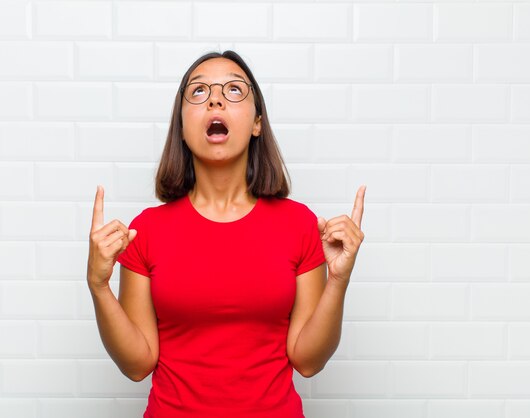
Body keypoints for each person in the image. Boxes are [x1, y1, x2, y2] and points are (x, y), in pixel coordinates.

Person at [86, 50, 366, 418]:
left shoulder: (299, 224)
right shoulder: (147, 230)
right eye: (199, 92)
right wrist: (98, 284)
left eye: (234, 90)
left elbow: (308, 360)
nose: (215, 98)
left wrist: (338, 280)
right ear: (182, 128)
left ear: (256, 123)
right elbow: (137, 365)